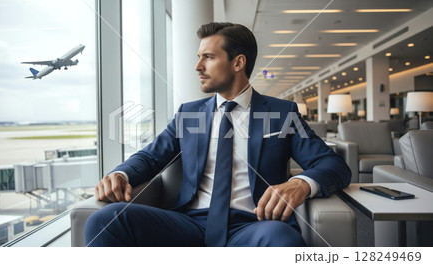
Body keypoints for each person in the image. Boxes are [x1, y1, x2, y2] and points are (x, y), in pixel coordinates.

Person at [85, 22, 351, 247]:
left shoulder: (282, 113)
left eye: (208, 57)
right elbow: (151, 157)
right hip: (189, 223)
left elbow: (333, 165)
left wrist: (302, 183)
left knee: (281, 238)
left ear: (238, 62)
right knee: (104, 220)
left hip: (255, 224)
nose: (198, 66)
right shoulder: (188, 115)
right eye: (198, 57)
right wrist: (120, 174)